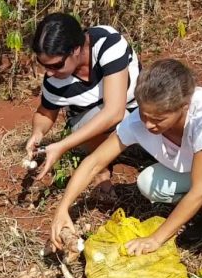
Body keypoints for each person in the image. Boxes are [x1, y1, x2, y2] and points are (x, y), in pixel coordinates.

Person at [50, 59, 202, 273]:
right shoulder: (142, 118)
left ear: (184, 107)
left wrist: (155, 239)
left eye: (159, 119)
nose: (148, 125)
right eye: (145, 116)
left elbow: (199, 190)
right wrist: (63, 209)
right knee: (149, 182)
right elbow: (95, 161)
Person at [26, 13, 140, 190]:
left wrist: (62, 146)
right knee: (109, 117)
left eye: (56, 65)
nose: (48, 72)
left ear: (76, 49)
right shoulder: (55, 80)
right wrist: (38, 133)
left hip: (138, 112)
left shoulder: (107, 43)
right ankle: (101, 170)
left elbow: (114, 111)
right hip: (103, 123)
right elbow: (46, 111)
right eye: (44, 65)